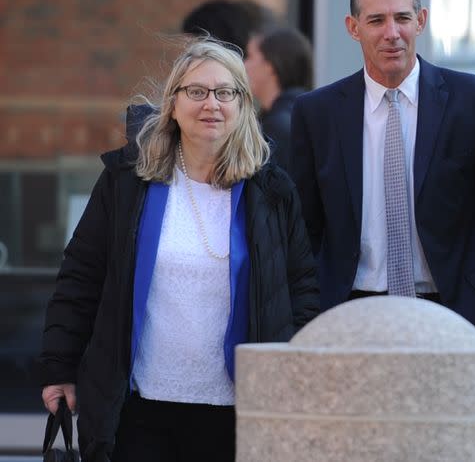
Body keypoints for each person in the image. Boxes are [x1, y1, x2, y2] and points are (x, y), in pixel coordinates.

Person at [37, 39, 318, 461]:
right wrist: (60, 368)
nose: (212, 104)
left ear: (243, 105)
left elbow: (300, 291)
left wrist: (294, 379)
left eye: (226, 92)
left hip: (238, 413)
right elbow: (82, 276)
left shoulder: (272, 191)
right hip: (139, 408)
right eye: (197, 91)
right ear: (172, 103)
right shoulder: (128, 182)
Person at [290, 0, 475, 343]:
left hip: (453, 314)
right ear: (353, 28)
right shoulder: (317, 113)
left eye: (402, 18)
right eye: (376, 20)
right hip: (347, 315)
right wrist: (306, 316)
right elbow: (304, 229)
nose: (392, 33)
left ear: (421, 20)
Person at [244, 25, 313, 171]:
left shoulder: (279, 127)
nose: (244, 65)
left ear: (270, 65)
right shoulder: (305, 113)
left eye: (250, 56)